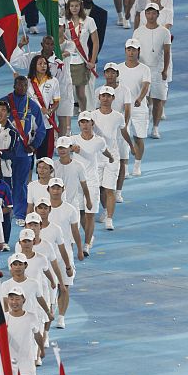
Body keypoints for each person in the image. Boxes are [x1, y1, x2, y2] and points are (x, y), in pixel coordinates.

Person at [11, 34, 74, 137]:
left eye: (52, 44)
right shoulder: (32, 57)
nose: (49, 46)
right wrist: (21, 44)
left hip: (49, 100)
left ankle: (59, 141)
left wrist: (53, 106)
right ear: (42, 44)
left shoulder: (58, 64)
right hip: (32, 100)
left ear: (54, 46)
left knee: (52, 124)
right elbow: (14, 62)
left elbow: (61, 84)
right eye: (47, 43)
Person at [70, 111, 113, 254]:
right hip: (77, 182)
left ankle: (87, 244)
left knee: (90, 214)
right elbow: (62, 148)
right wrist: (71, 148)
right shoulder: (73, 139)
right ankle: (90, 236)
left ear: (92, 124)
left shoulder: (99, 140)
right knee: (81, 213)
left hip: (92, 182)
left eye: (87, 122)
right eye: (82, 122)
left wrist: (111, 157)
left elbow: (104, 151)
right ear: (79, 124)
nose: (85, 125)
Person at [5, 75, 46, 225]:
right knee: (5, 182)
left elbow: (41, 129)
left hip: (23, 152)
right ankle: (6, 211)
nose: (22, 88)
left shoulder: (33, 106)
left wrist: (34, 145)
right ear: (14, 85)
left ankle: (20, 213)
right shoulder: (3, 102)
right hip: (5, 152)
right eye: (19, 85)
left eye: (25, 86)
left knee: (20, 183)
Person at [92, 87, 134, 230]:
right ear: (99, 97)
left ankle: (109, 218)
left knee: (109, 189)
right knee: (100, 188)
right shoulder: (92, 116)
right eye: (103, 95)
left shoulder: (118, 116)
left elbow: (124, 133)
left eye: (108, 96)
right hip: (97, 157)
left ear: (113, 98)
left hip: (112, 157)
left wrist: (132, 146)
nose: (105, 98)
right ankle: (105, 210)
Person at [47, 178, 84, 328]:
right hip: (46, 253)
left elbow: (75, 231)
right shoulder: (42, 208)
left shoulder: (70, 210)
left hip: (64, 253)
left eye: (58, 188)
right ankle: (50, 309)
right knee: (49, 286)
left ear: (63, 190)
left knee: (65, 286)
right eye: (53, 188)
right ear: (48, 190)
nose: (56, 191)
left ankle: (61, 317)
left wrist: (80, 250)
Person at [132, 4, 171, 138]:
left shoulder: (164, 32)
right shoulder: (138, 32)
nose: (151, 16)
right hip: (143, 69)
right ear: (145, 15)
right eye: (148, 13)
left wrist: (165, 70)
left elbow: (167, 52)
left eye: (153, 13)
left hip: (158, 70)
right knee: (143, 99)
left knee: (158, 98)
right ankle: (143, 124)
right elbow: (134, 51)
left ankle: (155, 127)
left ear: (158, 15)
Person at [35, 197, 75, 326]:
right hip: (38, 268)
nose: (42, 211)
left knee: (63, 289)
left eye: (45, 208)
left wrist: (68, 266)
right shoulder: (30, 228)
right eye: (40, 208)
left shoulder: (56, 229)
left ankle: (61, 317)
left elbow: (62, 248)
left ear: (49, 209)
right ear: (36, 209)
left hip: (56, 264)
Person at [117, 38, 151, 177]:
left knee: (138, 138)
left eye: (134, 50)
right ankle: (124, 166)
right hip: (123, 108)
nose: (131, 52)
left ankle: (137, 165)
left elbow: (146, 85)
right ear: (125, 51)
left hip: (139, 108)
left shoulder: (145, 69)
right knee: (123, 138)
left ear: (138, 52)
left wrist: (139, 99)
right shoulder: (118, 68)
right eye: (129, 49)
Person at [96, 64, 131, 200]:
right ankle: (105, 192)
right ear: (104, 74)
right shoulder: (98, 91)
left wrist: (124, 127)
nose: (110, 75)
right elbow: (95, 111)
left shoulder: (124, 90)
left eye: (113, 73)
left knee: (121, 161)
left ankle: (118, 191)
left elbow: (127, 109)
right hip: (104, 133)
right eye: (107, 72)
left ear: (117, 74)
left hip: (120, 131)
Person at [5, 287, 45, 375]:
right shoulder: (4, 317)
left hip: (26, 362)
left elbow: (37, 335)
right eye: (11, 299)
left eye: (17, 299)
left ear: (24, 300)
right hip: (9, 364)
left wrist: (42, 350)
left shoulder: (31, 317)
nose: (14, 302)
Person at [64, 0, 99, 113]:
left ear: (81, 6)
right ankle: (68, 116)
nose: (74, 8)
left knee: (81, 93)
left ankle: (83, 113)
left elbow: (95, 42)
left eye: (77, 6)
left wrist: (92, 61)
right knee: (67, 92)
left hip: (82, 61)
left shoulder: (89, 21)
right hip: (67, 61)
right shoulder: (63, 21)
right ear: (68, 7)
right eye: (72, 6)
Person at [27, 54, 61, 158]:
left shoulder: (53, 81)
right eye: (40, 64)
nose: (43, 66)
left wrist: (50, 110)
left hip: (46, 124)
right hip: (31, 125)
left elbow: (56, 102)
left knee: (45, 157)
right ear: (34, 66)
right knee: (29, 157)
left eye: (45, 63)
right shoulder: (27, 82)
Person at [53, 136, 91, 213]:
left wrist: (88, 200)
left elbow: (84, 185)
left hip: (73, 205)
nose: (62, 150)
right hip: (57, 205)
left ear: (70, 148)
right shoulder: (53, 166)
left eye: (65, 148)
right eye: (60, 148)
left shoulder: (79, 166)